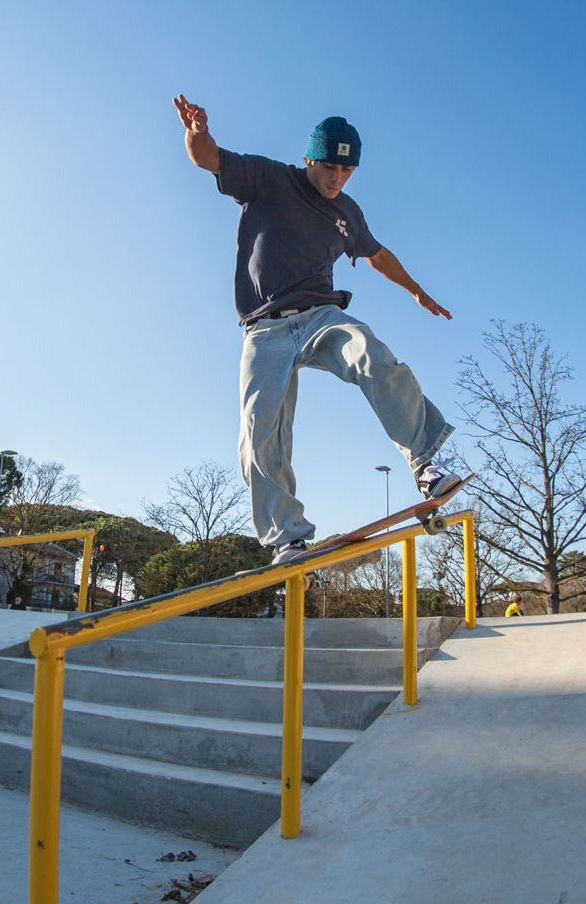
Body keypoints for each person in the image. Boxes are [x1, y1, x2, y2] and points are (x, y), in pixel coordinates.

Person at [174, 96, 460, 566]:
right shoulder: (268, 178)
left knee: (371, 353)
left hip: (321, 317)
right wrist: (197, 132)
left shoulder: (347, 211)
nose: (336, 179)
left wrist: (416, 290)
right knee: (259, 429)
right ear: (310, 159)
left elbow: (377, 255)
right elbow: (208, 159)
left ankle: (426, 464)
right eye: (329, 167)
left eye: (346, 171)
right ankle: (287, 537)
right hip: (264, 329)